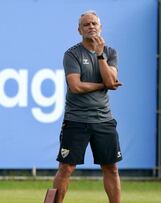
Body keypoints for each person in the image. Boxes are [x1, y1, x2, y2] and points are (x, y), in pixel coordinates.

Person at [52, 11, 123, 203]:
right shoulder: (72, 54)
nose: (91, 27)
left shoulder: (110, 53)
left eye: (94, 23)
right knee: (66, 168)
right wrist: (103, 86)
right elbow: (76, 86)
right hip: (76, 120)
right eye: (86, 25)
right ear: (79, 30)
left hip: (104, 120)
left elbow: (111, 79)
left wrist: (100, 55)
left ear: (100, 27)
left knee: (111, 168)